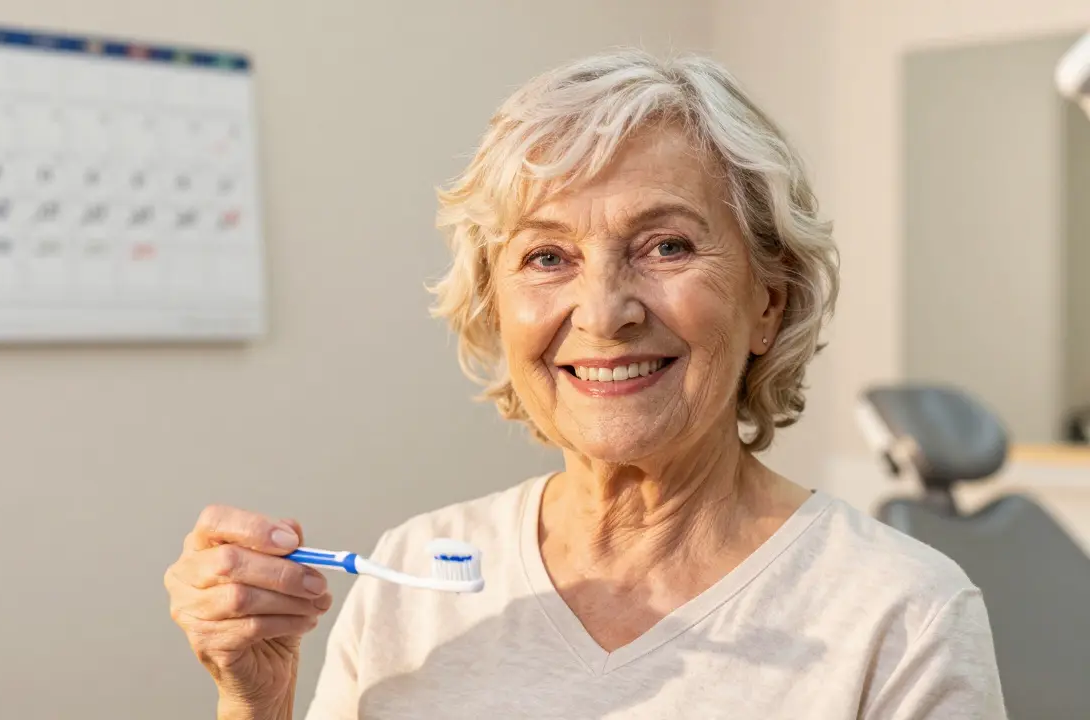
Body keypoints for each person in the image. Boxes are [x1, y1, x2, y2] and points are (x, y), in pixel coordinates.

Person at [164, 49, 1007, 719]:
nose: (603, 313)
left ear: (766, 304)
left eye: (667, 245)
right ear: (496, 308)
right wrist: (255, 700)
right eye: (547, 257)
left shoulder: (903, 613)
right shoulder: (413, 570)